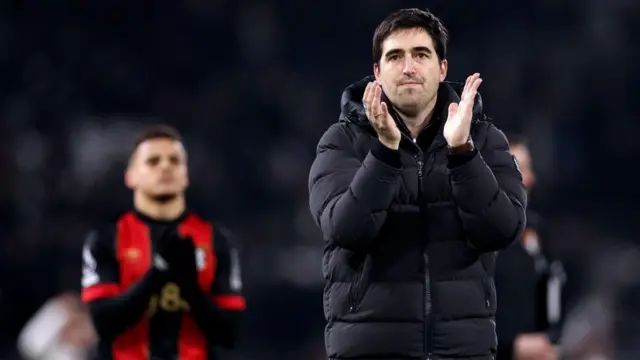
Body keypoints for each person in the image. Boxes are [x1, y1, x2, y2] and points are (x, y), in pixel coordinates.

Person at [308, 8, 527, 360]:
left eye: (421, 55)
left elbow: (502, 229)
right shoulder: (341, 142)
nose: (408, 67)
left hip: (462, 352)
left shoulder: (483, 140)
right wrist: (384, 152)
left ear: (442, 69)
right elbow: (346, 229)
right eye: (395, 56)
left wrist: (463, 153)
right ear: (377, 72)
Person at [80, 125, 246, 360]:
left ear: (186, 174)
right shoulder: (106, 240)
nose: (166, 166)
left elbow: (230, 334)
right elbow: (104, 324)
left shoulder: (217, 241)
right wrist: (158, 274)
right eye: (153, 161)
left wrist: (189, 286)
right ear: (131, 175)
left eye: (175, 160)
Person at [494, 137, 566, 360]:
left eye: (530, 168)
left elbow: (552, 288)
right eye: (520, 168)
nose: (531, 178)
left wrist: (551, 338)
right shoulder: (470, 235)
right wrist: (510, 345)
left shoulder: (535, 230)